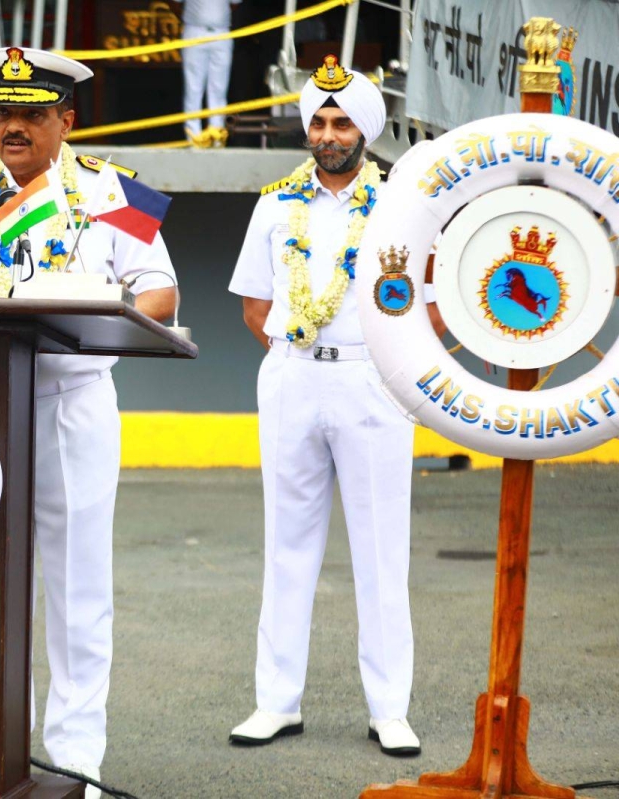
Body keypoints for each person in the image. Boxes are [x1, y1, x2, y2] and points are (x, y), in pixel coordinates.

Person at [0, 46, 178, 798]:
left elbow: (159, 293)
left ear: (67, 120)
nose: (13, 127)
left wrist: (98, 309)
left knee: (75, 588)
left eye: (31, 114)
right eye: (3, 114)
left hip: (70, 405)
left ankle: (73, 757)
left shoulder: (115, 194)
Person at [227, 56, 423, 756]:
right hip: (293, 375)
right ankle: (275, 702)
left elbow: (423, 300)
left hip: (373, 380)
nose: (329, 132)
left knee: (380, 550)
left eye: (342, 121)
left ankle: (389, 707)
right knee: (287, 545)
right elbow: (256, 305)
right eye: (319, 120)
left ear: (365, 130)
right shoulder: (276, 203)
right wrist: (298, 352)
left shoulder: (401, 202)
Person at [174, 0, 242, 148]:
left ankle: (216, 136)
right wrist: (193, 18)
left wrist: (216, 17)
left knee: (219, 89)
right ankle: (193, 139)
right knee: (193, 88)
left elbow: (234, 4)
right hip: (194, 31)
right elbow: (176, 4)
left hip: (221, 31)